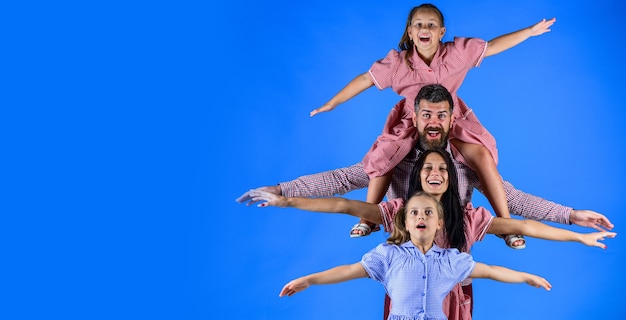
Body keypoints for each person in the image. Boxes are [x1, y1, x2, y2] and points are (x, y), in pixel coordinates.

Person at [241, 149, 616, 319]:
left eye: (442, 169)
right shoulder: (397, 210)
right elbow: (341, 196)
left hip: (454, 299)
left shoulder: (465, 218)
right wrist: (284, 196)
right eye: (426, 169)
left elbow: (519, 218)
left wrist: (573, 224)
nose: (434, 174)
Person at [308, 4, 556, 247]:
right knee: (385, 154)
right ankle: (368, 218)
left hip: (451, 119)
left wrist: (529, 32)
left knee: (481, 153)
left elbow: (492, 46)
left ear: (441, 32)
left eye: (431, 24)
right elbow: (365, 79)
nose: (424, 29)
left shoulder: (456, 53)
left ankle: (507, 225)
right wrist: (332, 103)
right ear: (410, 31)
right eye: (419, 25)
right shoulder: (398, 63)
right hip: (412, 121)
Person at [236, 85, 614, 241]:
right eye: (427, 115)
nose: (434, 122)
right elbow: (342, 180)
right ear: (415, 118)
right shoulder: (395, 157)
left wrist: (571, 214)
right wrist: (281, 190)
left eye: (441, 116)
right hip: (404, 254)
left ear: (452, 120)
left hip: (453, 257)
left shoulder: (465, 160)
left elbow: (512, 199)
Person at [277, 191, 553, 319]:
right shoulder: (388, 256)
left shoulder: (450, 261)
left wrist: (525, 277)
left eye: (428, 213)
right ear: (406, 223)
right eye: (414, 213)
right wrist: (310, 280)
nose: (421, 216)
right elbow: (349, 270)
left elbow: (491, 271)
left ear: (439, 224)